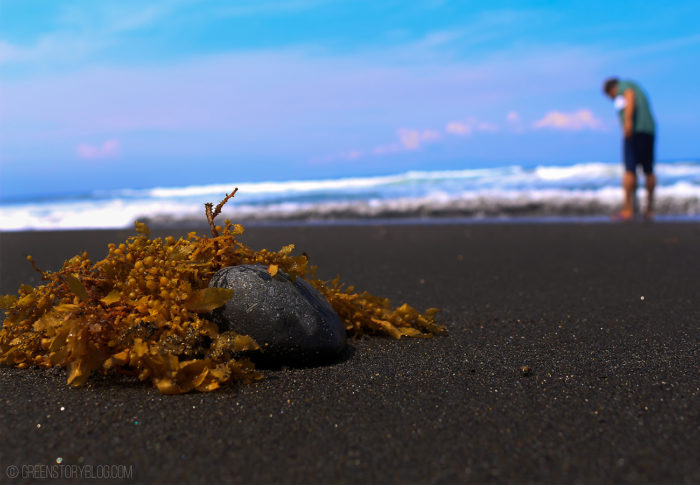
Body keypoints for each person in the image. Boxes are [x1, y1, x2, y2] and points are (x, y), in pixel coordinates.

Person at [603, 77, 656, 220]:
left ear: (612, 89)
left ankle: (628, 210)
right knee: (648, 169)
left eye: (611, 96)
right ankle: (649, 209)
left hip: (634, 131)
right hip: (649, 130)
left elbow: (629, 95)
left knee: (629, 170)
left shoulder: (623, 87)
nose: (612, 99)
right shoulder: (635, 85)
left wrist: (627, 122)